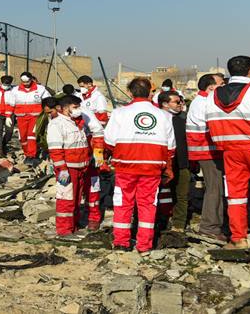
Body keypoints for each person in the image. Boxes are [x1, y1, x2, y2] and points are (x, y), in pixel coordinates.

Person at [104, 77, 175, 253]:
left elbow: (109, 141)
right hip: (152, 168)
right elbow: (171, 147)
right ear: (151, 92)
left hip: (125, 167)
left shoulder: (119, 113)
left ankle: (121, 242)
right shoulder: (164, 115)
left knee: (122, 204)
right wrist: (168, 167)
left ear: (129, 92)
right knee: (148, 205)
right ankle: (144, 244)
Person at [205, 56, 250, 249]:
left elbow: (209, 123)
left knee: (236, 196)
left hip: (230, 151)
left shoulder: (213, 96)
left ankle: (239, 238)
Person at [47, 95, 105, 237]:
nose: (78, 110)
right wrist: (62, 169)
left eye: (79, 106)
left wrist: (97, 154)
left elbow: (96, 134)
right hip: (68, 168)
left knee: (77, 198)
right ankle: (65, 230)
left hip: (83, 166)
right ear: (64, 108)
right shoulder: (57, 124)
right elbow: (56, 150)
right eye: (75, 107)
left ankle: (74, 225)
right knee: (66, 198)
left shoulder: (78, 121)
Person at [186, 73, 227, 242]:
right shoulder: (204, 103)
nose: (224, 87)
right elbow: (212, 127)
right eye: (221, 84)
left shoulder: (202, 101)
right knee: (214, 189)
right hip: (208, 152)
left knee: (216, 188)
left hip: (208, 151)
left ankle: (214, 224)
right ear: (211, 87)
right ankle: (209, 227)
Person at [156, 91, 190, 232]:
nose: (181, 104)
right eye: (177, 102)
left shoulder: (183, 120)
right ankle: (158, 221)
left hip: (181, 162)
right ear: (165, 104)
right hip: (160, 163)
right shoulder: (156, 120)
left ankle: (178, 225)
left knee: (182, 195)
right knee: (158, 194)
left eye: (181, 101)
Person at [13, 72, 51, 163]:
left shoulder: (40, 89)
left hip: (35, 116)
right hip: (21, 116)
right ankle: (27, 153)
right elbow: (10, 103)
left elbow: (48, 100)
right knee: (23, 138)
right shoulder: (15, 90)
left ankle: (31, 155)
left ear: (31, 79)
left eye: (27, 81)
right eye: (23, 82)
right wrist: (8, 116)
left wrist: (49, 113)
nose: (25, 84)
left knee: (31, 136)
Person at [35, 96, 61, 162]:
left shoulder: (65, 118)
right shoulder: (43, 116)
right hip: (50, 148)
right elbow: (38, 132)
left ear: (58, 107)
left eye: (50, 112)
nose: (49, 115)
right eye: (47, 113)